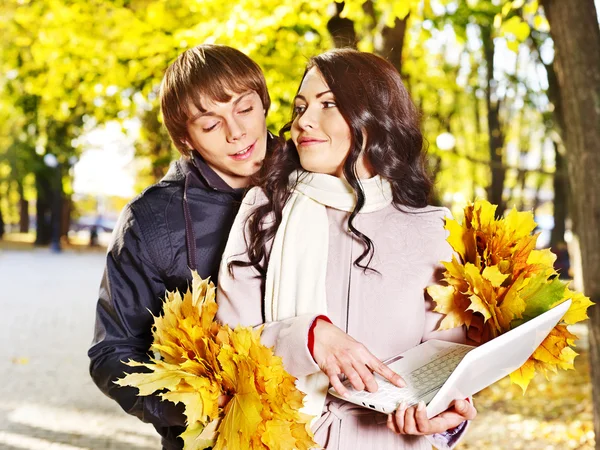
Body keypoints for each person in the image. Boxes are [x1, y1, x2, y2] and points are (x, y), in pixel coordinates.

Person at [216, 48, 478, 449]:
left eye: (328, 104)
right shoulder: (263, 213)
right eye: (300, 106)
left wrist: (440, 421)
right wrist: (308, 336)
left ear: (374, 118)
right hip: (285, 439)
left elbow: (448, 368)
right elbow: (228, 351)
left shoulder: (435, 231)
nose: (304, 120)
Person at [88, 44, 275, 450]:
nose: (236, 132)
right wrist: (197, 406)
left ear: (264, 104)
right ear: (185, 138)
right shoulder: (151, 220)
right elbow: (112, 352)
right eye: (210, 125)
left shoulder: (316, 173)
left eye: (245, 109)